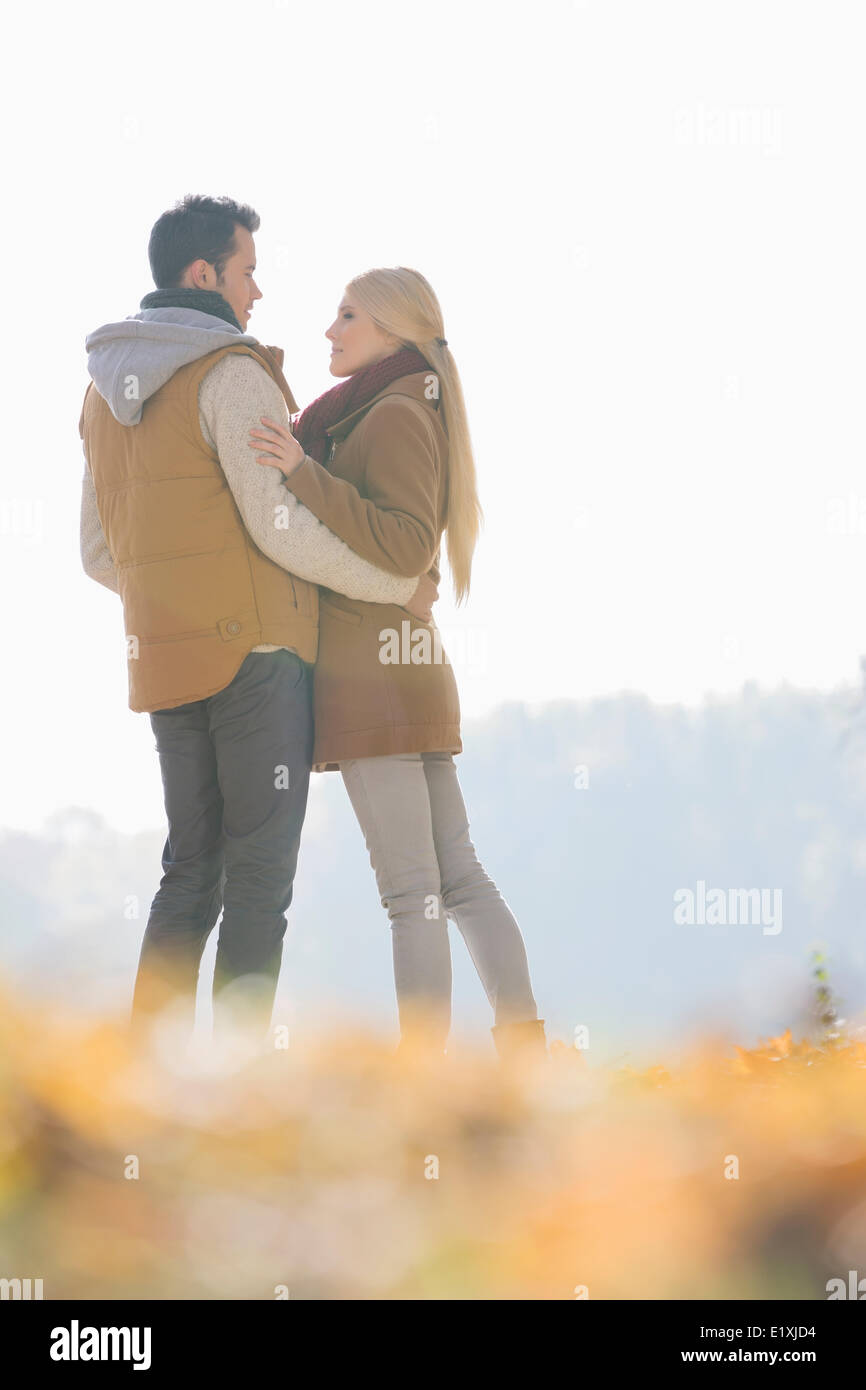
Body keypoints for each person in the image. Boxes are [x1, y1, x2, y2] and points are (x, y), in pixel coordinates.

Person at [79, 197, 435, 1046]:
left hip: (163, 661)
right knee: (260, 877)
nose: (258, 292)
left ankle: (142, 1078)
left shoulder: (102, 397)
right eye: (247, 272)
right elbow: (280, 525)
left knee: (188, 871)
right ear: (204, 275)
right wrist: (388, 584)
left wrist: (177, 604)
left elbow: (100, 554)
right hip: (259, 660)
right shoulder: (231, 373)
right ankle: (237, 1084)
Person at [248, 267, 546, 1059]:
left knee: (412, 894)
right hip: (403, 664)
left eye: (348, 315)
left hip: (371, 676)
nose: (330, 330)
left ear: (391, 329)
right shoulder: (397, 404)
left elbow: (407, 543)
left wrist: (300, 473)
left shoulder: (395, 412)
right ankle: (523, 1049)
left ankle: (421, 1081)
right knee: (458, 880)